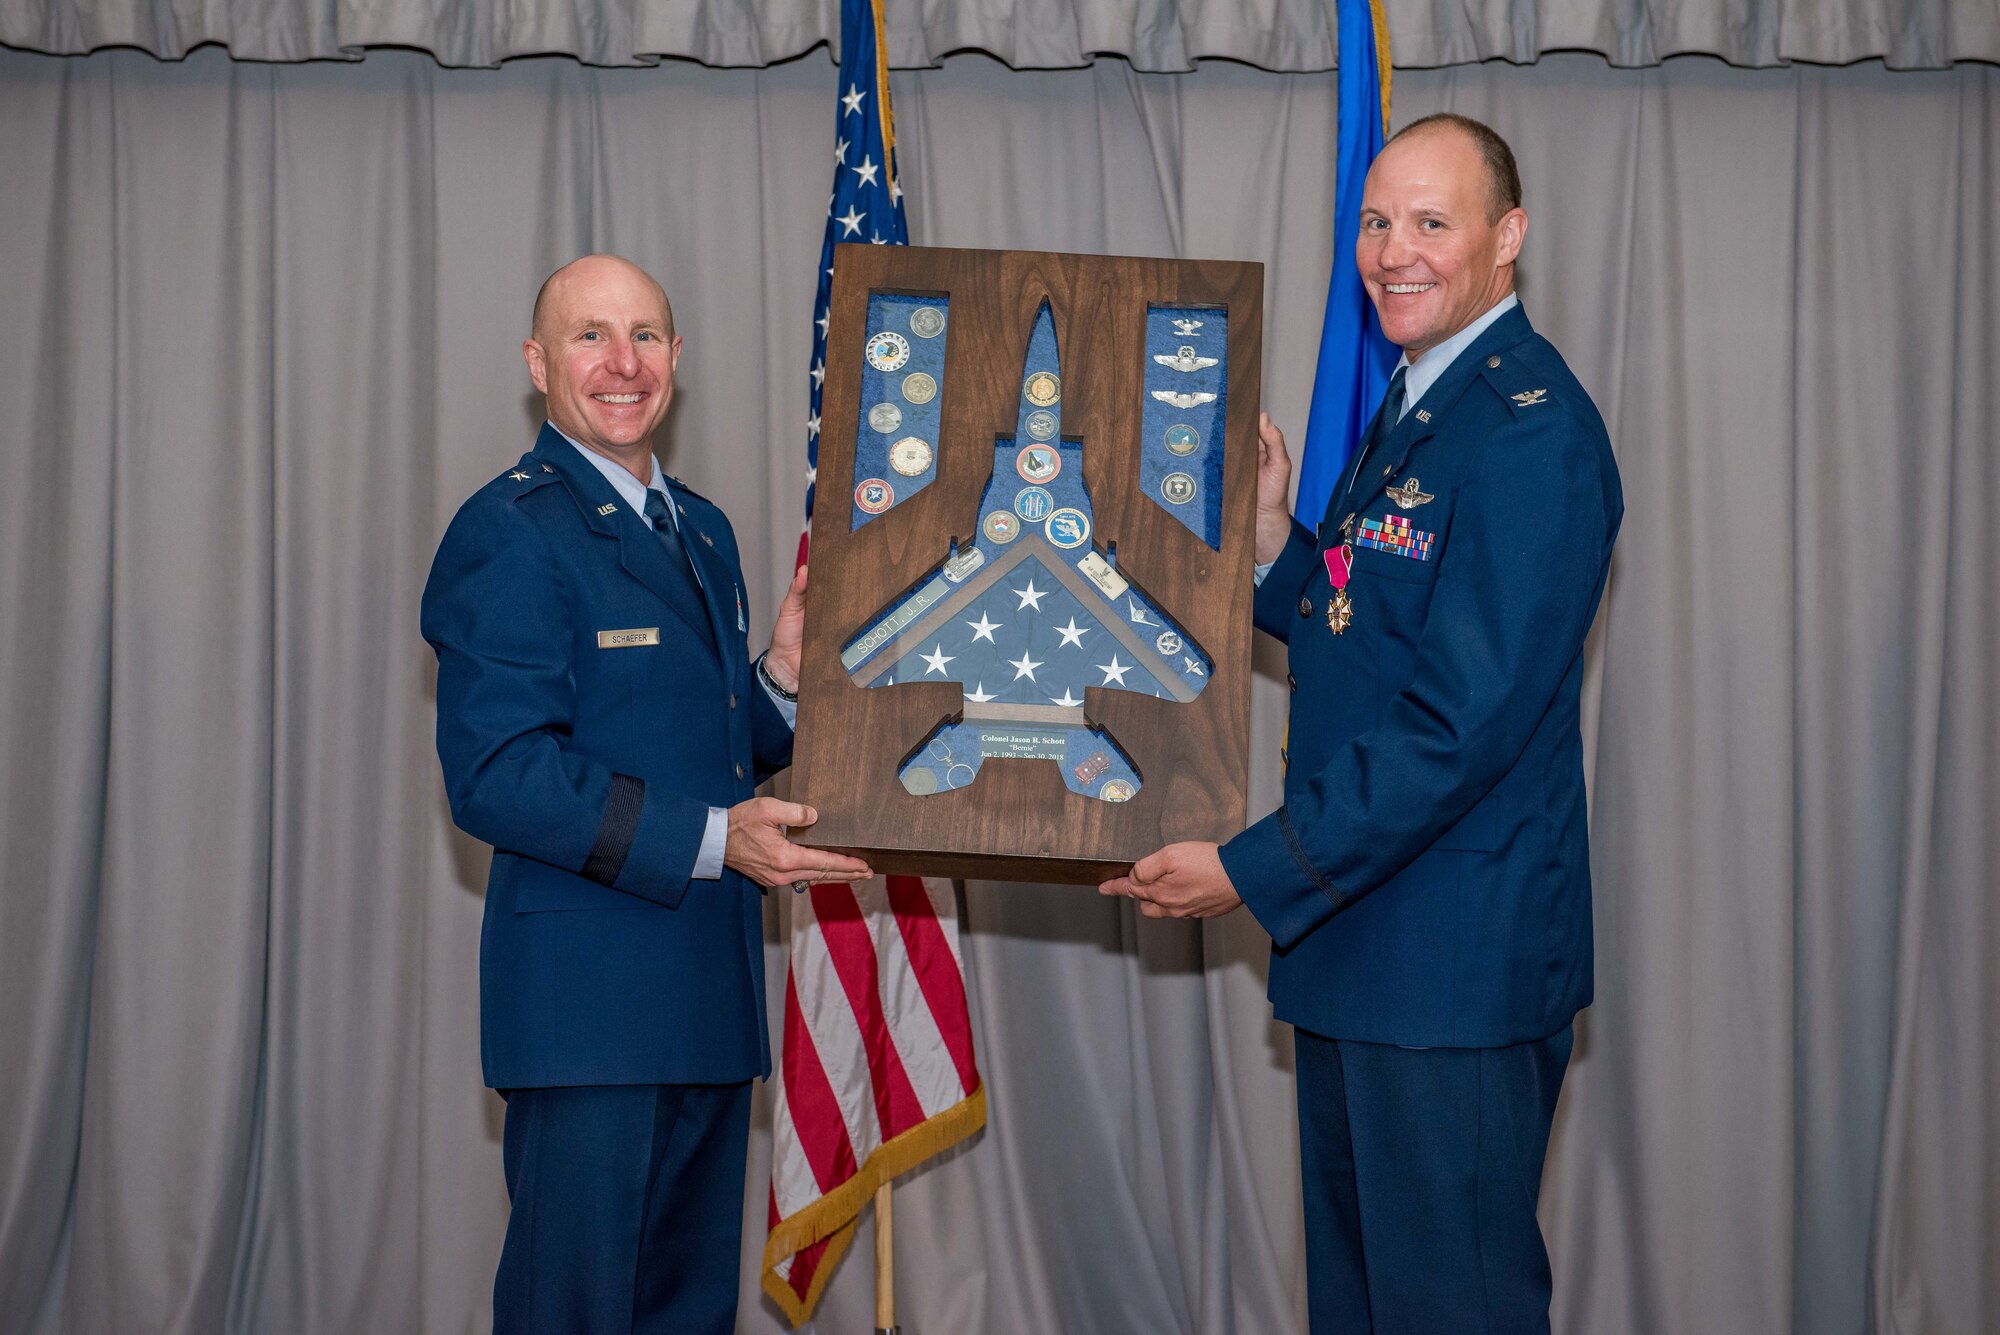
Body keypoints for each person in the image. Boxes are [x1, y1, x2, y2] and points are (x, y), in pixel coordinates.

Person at [1101, 115, 1623, 1332]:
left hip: (1452, 969)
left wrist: (1246, 867)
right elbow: (1361, 633)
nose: (1393, 251)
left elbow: (1456, 724)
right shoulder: (1418, 404)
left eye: (1430, 223)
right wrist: (1283, 540)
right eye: (1376, 221)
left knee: (1446, 1308)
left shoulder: (1530, 434)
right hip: (1360, 948)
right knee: (1360, 1307)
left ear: (1508, 238)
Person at [421, 254, 871, 1334]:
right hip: (587, 1019)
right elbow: (498, 775)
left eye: (647, 336)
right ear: (538, 364)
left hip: (704, 1007)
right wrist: (722, 841)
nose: (623, 364)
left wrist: (778, 679)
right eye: (590, 336)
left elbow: (708, 749)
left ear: (678, 358)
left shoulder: (702, 530)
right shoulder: (509, 531)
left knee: (680, 1317)